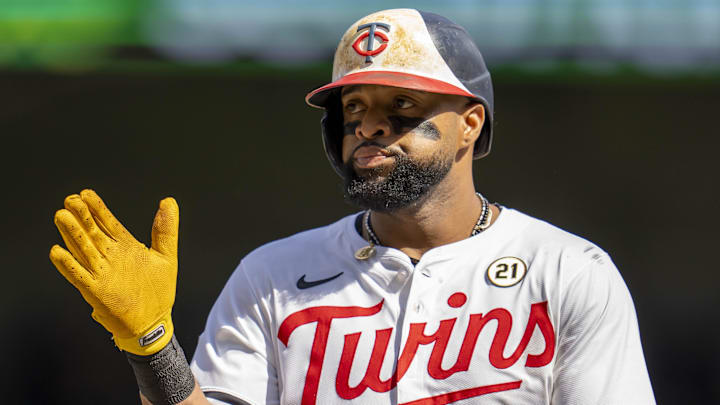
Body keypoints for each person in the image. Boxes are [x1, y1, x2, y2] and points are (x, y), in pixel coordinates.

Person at [49, 8, 656, 405]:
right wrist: (154, 347)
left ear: (470, 124)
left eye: (401, 107)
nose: (371, 128)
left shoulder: (569, 271)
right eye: (355, 110)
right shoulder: (272, 277)